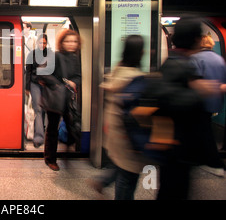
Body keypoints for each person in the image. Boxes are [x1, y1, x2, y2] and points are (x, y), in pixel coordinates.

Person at [156, 16, 220, 200]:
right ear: (195, 39)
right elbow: (168, 101)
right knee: (173, 191)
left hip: (174, 147)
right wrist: (198, 93)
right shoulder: (181, 65)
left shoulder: (174, 62)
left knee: (169, 190)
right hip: (178, 147)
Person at [94, 34, 149, 199]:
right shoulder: (136, 79)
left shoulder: (117, 72)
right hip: (128, 136)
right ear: (141, 53)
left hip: (115, 132)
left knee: (121, 167)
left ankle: (103, 181)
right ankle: (105, 182)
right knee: (127, 178)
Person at [39, 29, 81, 171]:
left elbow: (78, 76)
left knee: (71, 126)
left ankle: (67, 153)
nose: (71, 44)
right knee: (53, 128)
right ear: (62, 43)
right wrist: (59, 83)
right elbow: (43, 72)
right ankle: (50, 159)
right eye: (68, 41)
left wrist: (74, 82)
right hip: (55, 97)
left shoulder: (75, 58)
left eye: (74, 41)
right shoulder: (55, 56)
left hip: (68, 98)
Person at [190, 35, 226, 177]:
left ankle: (214, 163)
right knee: (204, 128)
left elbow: (195, 83)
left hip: (200, 102)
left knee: (204, 132)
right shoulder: (219, 59)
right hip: (215, 101)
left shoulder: (196, 59)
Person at [26, 34, 53, 148]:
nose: (42, 45)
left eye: (44, 43)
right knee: (38, 109)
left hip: (48, 85)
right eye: (40, 42)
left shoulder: (51, 55)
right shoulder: (31, 54)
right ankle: (39, 137)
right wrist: (27, 87)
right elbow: (28, 72)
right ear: (37, 43)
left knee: (46, 110)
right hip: (35, 84)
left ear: (47, 43)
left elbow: (53, 70)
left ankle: (47, 135)